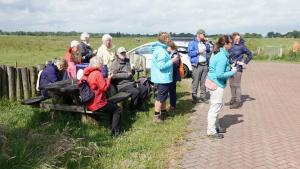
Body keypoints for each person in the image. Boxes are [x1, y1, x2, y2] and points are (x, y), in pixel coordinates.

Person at [80, 57, 121, 136]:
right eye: (102, 64)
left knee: (113, 105)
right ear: (98, 64)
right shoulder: (97, 74)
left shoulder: (87, 73)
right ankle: (115, 131)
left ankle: (111, 126)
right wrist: (109, 78)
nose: (103, 66)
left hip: (88, 103)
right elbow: (104, 88)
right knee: (118, 109)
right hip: (97, 103)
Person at [206, 35, 237, 139]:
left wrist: (229, 67)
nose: (232, 44)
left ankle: (216, 127)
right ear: (226, 44)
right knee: (215, 107)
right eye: (231, 43)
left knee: (216, 107)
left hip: (213, 82)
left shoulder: (218, 53)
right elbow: (220, 74)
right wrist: (232, 71)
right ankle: (211, 131)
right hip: (217, 84)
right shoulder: (222, 57)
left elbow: (219, 68)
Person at [151, 32, 179, 123]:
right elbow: (161, 66)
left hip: (163, 78)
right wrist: (172, 60)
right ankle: (156, 116)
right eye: (168, 38)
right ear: (165, 39)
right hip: (162, 78)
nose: (169, 40)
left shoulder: (161, 49)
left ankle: (163, 113)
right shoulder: (161, 51)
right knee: (160, 98)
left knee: (163, 97)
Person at [226, 32, 252, 109]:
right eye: (236, 39)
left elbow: (250, 54)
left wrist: (244, 62)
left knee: (237, 85)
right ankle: (233, 99)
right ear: (233, 39)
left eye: (239, 39)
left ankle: (238, 102)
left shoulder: (242, 47)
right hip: (230, 68)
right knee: (231, 85)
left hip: (238, 69)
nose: (238, 40)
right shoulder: (230, 46)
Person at [188, 29, 211, 103]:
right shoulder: (192, 43)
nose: (205, 36)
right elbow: (190, 53)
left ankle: (203, 96)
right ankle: (194, 97)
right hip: (197, 65)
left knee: (204, 82)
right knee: (196, 81)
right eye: (203, 35)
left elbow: (208, 50)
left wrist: (207, 43)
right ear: (199, 34)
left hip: (205, 64)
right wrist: (198, 52)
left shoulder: (203, 43)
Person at [167, 41, 182, 115]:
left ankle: (172, 106)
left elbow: (175, 65)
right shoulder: (172, 53)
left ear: (170, 47)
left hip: (173, 75)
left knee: (172, 91)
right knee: (171, 90)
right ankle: (172, 105)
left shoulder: (175, 54)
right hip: (171, 74)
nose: (167, 48)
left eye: (167, 47)